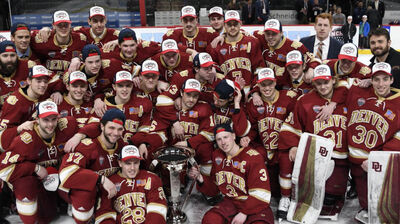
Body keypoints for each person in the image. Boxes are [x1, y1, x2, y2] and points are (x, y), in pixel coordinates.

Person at [279, 64, 349, 220]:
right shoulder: (305, 101)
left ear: (333, 81)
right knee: (313, 197)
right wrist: (293, 145)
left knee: (332, 197)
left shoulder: (346, 97)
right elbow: (290, 126)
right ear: (313, 84)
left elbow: (352, 83)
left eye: (326, 82)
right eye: (318, 83)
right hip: (316, 157)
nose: (323, 87)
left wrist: (333, 103)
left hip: (341, 158)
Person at [0, 101, 78, 223]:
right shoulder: (25, 141)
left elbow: (96, 129)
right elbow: (3, 170)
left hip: (53, 177)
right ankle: (27, 218)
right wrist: (34, 168)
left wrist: (78, 136)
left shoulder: (67, 125)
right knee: (25, 184)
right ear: (36, 119)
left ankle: (67, 205)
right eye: (46, 120)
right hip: (32, 180)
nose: (51, 124)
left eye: (54, 119)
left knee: (48, 216)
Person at [346, 62, 400, 224]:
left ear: (391, 80)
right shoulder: (359, 91)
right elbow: (338, 81)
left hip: (383, 164)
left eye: (385, 79)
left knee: (389, 208)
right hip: (356, 165)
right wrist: (364, 79)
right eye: (376, 79)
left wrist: (378, 159)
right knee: (369, 206)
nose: (381, 84)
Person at [189, 122, 274, 224]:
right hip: (231, 203)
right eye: (219, 139)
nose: (223, 142)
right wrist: (200, 178)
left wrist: (244, 213)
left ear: (233, 136)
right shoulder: (217, 156)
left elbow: (262, 194)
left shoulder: (253, 157)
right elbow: (214, 189)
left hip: (254, 204)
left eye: (226, 137)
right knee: (210, 219)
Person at [244, 68, 298, 220]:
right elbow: (254, 128)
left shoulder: (289, 98)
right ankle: (257, 193)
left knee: (286, 160)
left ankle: (286, 198)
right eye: (263, 85)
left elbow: (297, 124)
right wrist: (248, 137)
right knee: (252, 155)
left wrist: (293, 144)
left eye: (269, 84)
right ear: (258, 86)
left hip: (283, 146)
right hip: (265, 146)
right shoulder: (253, 104)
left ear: (275, 82)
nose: (267, 88)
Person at [58, 108, 126, 224]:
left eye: (119, 129)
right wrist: (101, 179)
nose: (115, 133)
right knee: (85, 194)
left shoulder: (122, 146)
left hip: (105, 192)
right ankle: (81, 215)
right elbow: (66, 174)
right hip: (75, 188)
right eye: (111, 128)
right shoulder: (87, 146)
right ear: (102, 126)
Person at [94, 145, 167, 223]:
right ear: (120, 163)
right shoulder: (110, 183)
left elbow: (157, 211)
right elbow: (104, 214)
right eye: (128, 163)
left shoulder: (151, 178)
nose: (132, 168)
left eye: (135, 163)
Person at [208, 10, 265, 95]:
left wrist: (255, 91)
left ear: (240, 24)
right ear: (224, 25)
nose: (232, 27)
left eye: (235, 24)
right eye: (229, 24)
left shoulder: (252, 42)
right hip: (227, 94)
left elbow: (259, 69)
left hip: (250, 93)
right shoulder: (217, 46)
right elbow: (215, 73)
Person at [0, 65, 51, 151]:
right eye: (38, 81)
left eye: (45, 82)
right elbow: (2, 135)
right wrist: (19, 128)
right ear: (29, 81)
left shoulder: (45, 93)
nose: (43, 85)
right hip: (19, 145)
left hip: (40, 141)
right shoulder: (15, 102)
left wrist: (57, 92)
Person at [252, 19, 314, 87]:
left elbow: (313, 59)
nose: (270, 37)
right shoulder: (260, 38)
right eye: (268, 34)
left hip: (285, 86)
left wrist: (311, 69)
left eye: (274, 34)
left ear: (281, 33)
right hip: (266, 84)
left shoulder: (294, 46)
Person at [30, 10, 87, 76]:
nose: (63, 28)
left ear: (70, 25)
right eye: (59, 25)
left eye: (66, 25)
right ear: (53, 26)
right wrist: (45, 29)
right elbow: (24, 35)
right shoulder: (43, 39)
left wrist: (79, 58)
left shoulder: (80, 39)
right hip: (50, 82)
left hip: (72, 82)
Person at [0, 41, 37, 106]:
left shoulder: (28, 66)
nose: (9, 59)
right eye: (5, 56)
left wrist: (57, 91)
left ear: (17, 56)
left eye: (12, 55)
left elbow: (52, 79)